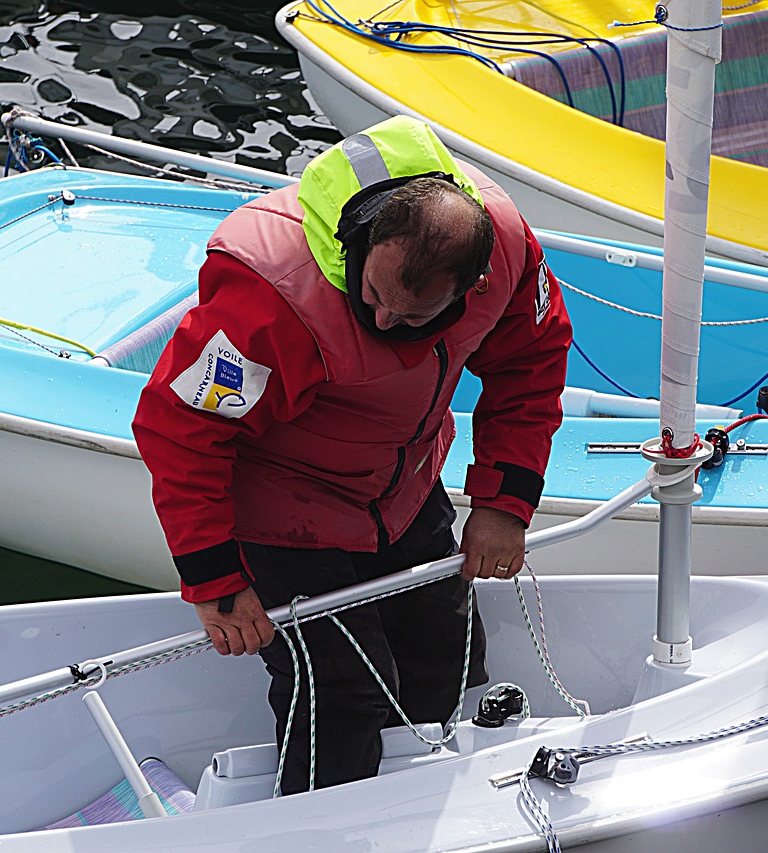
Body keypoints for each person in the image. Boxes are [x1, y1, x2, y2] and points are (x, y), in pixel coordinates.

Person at [132, 115, 571, 793]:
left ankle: (415, 809)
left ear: (471, 285)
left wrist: (504, 503)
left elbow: (531, 365)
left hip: (404, 487)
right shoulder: (270, 297)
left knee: (445, 655)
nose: (387, 322)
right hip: (281, 512)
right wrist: (215, 580)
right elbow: (182, 426)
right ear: (362, 243)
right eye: (373, 297)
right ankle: (312, 830)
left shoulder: (507, 255)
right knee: (342, 690)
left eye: (414, 315)